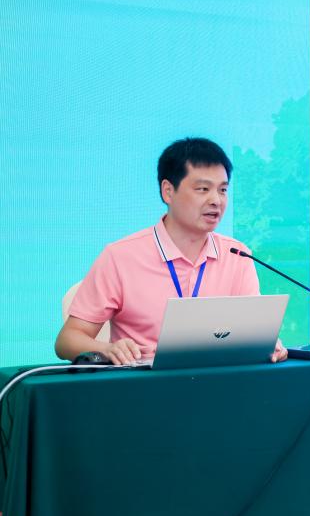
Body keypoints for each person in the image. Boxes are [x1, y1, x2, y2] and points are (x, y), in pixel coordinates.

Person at [54, 137, 288, 365]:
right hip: (146, 382)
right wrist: (107, 349)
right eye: (203, 189)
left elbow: (249, 332)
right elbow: (67, 340)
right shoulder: (120, 257)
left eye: (223, 190)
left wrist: (267, 344)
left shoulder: (237, 255)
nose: (216, 200)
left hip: (216, 380)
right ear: (168, 191)